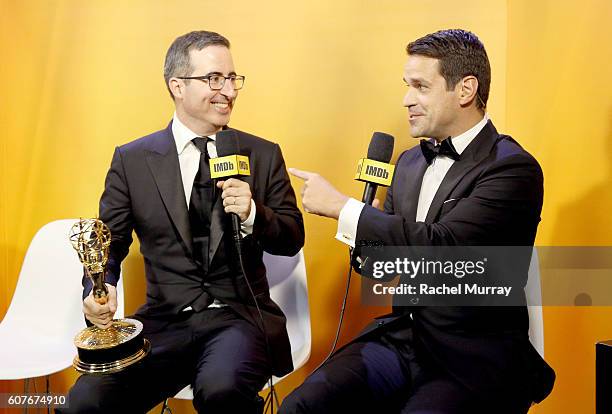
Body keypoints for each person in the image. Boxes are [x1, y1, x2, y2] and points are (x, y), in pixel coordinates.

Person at [281, 29, 554, 413]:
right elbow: (382, 266)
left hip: (472, 356)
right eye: (407, 86)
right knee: (301, 406)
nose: (407, 100)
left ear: (465, 90)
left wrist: (347, 211)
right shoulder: (409, 163)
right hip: (405, 338)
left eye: (421, 86)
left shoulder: (512, 169)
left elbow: (446, 249)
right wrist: (369, 230)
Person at [60, 30, 304, 413]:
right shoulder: (133, 160)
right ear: (177, 85)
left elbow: (291, 238)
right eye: (213, 79)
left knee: (221, 392)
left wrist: (253, 214)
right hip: (163, 323)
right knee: (86, 401)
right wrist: (98, 288)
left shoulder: (261, 153)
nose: (228, 90)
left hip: (239, 317)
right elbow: (111, 243)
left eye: (232, 79)